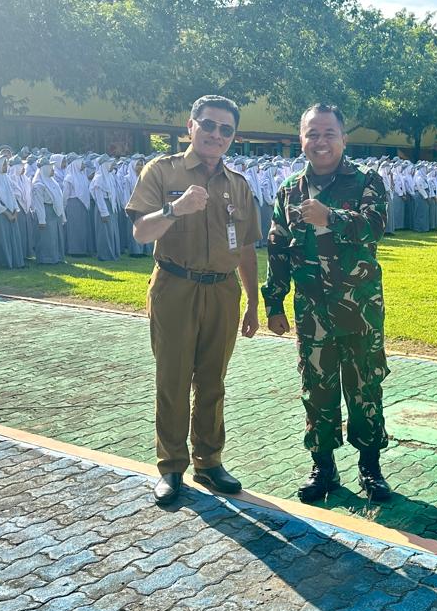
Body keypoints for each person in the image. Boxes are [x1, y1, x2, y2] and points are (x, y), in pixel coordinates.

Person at [126, 95, 260, 505]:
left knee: (212, 381)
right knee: (173, 379)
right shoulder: (162, 171)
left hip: (222, 291)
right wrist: (175, 208)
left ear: (232, 137)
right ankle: (171, 466)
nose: (216, 135)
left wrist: (254, 303)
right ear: (191, 126)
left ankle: (209, 461)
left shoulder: (237, 184)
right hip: (175, 287)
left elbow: (247, 248)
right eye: (208, 125)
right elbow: (141, 233)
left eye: (225, 130)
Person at [263, 103, 393, 504]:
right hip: (311, 311)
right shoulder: (289, 190)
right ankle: (323, 467)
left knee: (364, 384)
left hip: (359, 309)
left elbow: (375, 226)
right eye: (312, 134)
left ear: (343, 138)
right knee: (316, 388)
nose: (320, 141)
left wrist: (328, 216)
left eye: (328, 133)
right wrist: (274, 302)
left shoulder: (366, 181)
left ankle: (370, 467)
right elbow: (277, 247)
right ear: (301, 139)